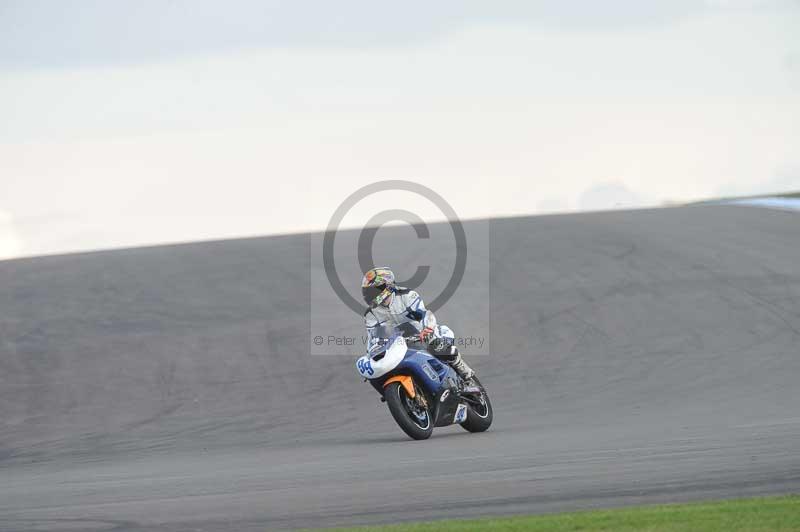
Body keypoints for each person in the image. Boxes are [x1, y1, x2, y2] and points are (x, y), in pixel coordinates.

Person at [361, 266, 475, 380]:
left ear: (388, 286)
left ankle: (464, 372)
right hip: (397, 345)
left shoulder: (406, 295)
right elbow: (373, 337)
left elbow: (425, 314)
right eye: (368, 292)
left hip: (423, 335)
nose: (371, 295)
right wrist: (370, 358)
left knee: (439, 347)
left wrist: (427, 329)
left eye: (374, 290)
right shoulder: (370, 314)